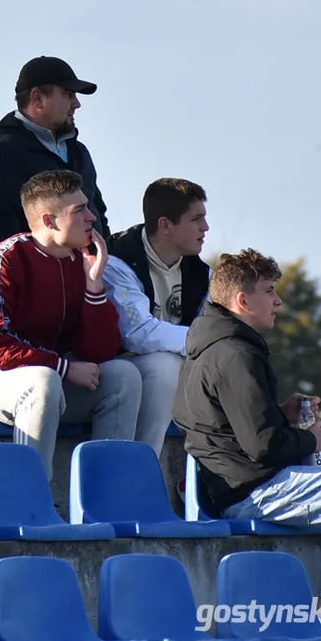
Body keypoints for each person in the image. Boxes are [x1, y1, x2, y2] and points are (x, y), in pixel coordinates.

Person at [174, 249, 321, 602]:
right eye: (269, 291)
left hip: (242, 485)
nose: (278, 301)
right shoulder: (236, 355)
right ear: (243, 299)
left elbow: (230, 428)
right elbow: (262, 446)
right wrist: (311, 440)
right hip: (256, 490)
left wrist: (282, 414)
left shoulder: (209, 349)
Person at [0, 170, 141, 479]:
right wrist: (63, 368)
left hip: (46, 380)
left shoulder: (81, 263)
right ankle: (29, 500)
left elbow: (99, 353)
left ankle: (106, 495)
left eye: (88, 207)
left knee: (123, 376)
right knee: (42, 381)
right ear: (49, 221)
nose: (92, 218)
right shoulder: (4, 259)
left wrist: (94, 286)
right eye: (79, 210)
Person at [104, 178, 210, 455]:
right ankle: (143, 462)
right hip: (114, 364)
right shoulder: (117, 260)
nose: (205, 228)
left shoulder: (200, 273)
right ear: (165, 225)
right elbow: (137, 333)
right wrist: (208, 341)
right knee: (165, 366)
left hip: (175, 360)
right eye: (196, 219)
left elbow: (211, 329)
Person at [0, 56, 109, 246]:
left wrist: (107, 261)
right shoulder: (2, 153)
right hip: (42, 275)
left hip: (92, 273)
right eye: (68, 94)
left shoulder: (79, 151)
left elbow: (99, 215)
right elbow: (3, 235)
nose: (76, 104)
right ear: (38, 98)